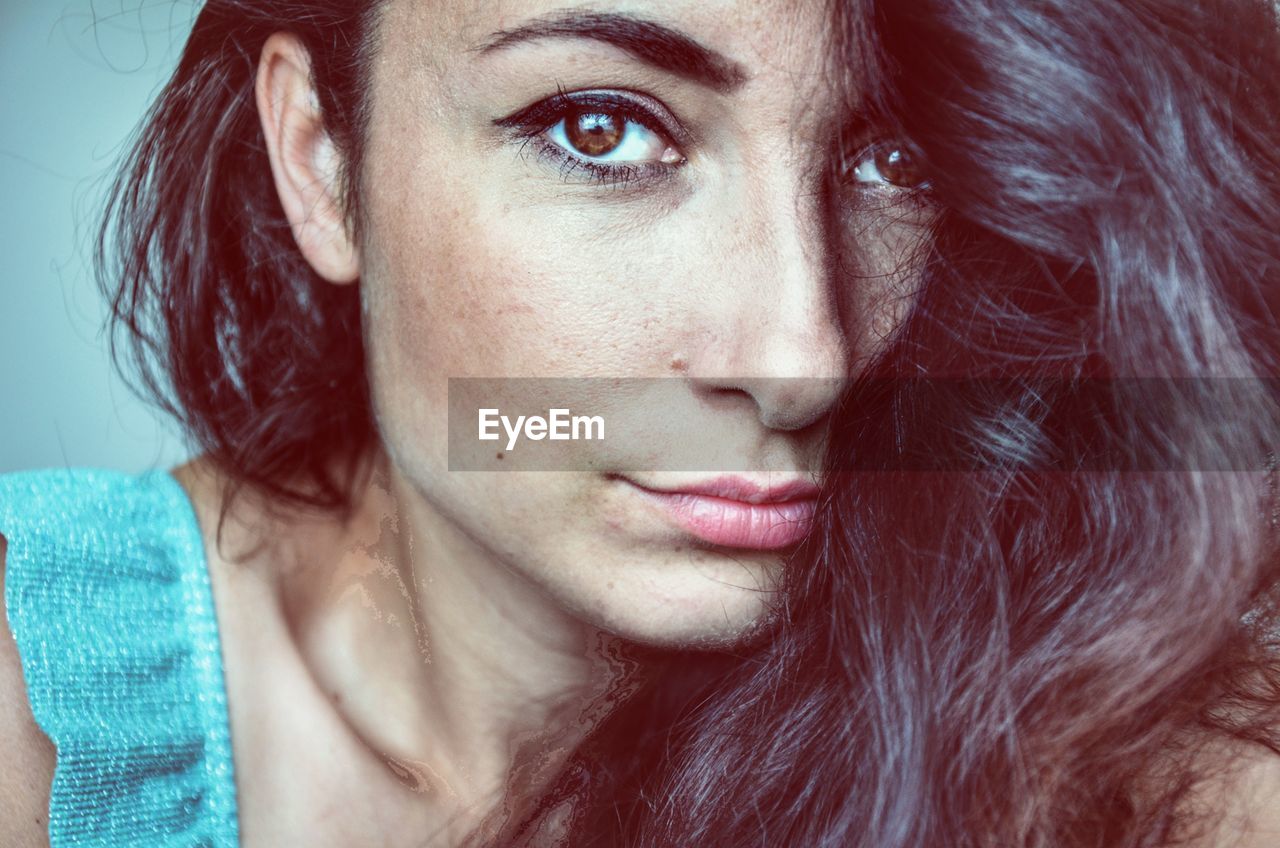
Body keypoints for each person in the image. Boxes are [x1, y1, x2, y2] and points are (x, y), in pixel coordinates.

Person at [6, 1, 1280, 847]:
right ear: (319, 157)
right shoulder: (37, 711)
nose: (800, 356)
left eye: (898, 160)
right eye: (600, 128)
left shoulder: (1114, 732)